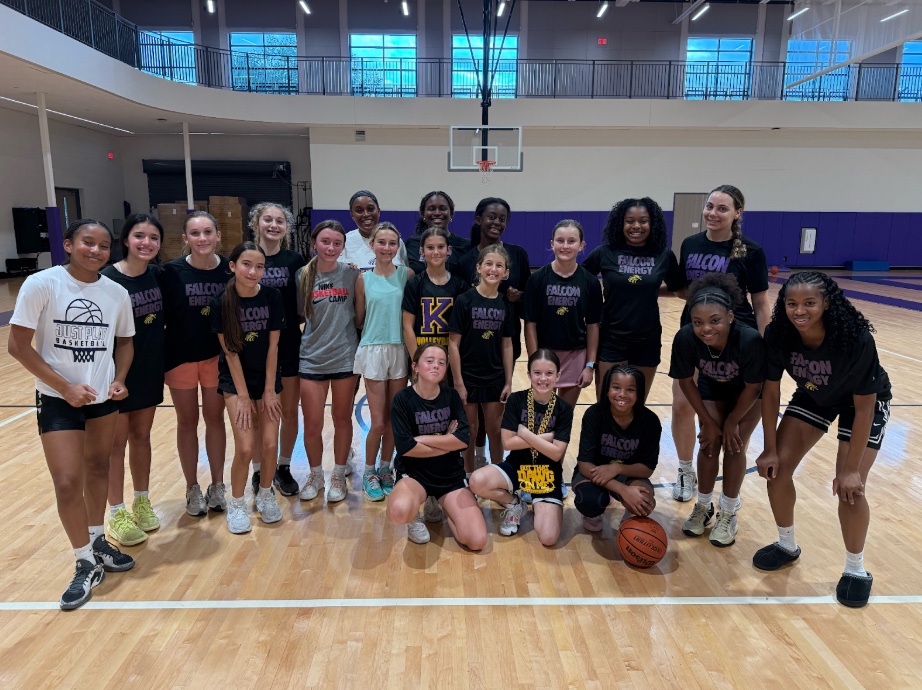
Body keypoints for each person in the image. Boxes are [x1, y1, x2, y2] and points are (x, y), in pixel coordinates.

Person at [9, 219, 136, 610]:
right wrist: (64, 387)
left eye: (102, 245)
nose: (95, 251)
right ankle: (83, 560)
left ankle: (98, 539)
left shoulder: (116, 293)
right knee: (67, 481)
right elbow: (18, 346)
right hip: (58, 397)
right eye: (87, 243)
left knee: (99, 468)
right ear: (68, 244)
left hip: (102, 398)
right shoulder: (42, 283)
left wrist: (120, 378)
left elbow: (126, 342)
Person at [753, 271, 891, 608]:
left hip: (862, 404)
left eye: (809, 303)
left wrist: (852, 469)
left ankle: (856, 570)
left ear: (826, 303)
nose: (800, 310)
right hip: (814, 395)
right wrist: (769, 448)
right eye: (792, 303)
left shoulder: (854, 337)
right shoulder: (779, 334)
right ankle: (787, 545)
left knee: (850, 489)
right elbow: (770, 393)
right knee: (777, 470)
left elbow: (864, 407)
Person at [672, 185, 770, 502]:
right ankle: (686, 471)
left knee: (735, 422)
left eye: (722, 208)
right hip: (694, 336)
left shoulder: (750, 252)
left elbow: (761, 303)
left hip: (734, 342)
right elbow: (684, 290)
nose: (713, 213)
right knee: (682, 406)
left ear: (737, 213)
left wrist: (764, 345)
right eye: (710, 206)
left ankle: (730, 489)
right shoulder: (690, 244)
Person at [668, 273, 766, 547]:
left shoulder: (748, 340)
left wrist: (732, 421)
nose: (706, 329)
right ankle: (703, 506)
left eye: (715, 321)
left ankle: (728, 512)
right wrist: (708, 422)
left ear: (731, 317)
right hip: (713, 388)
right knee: (709, 443)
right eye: (698, 322)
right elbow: (686, 382)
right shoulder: (686, 338)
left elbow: (754, 388)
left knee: (734, 446)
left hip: (748, 394)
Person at [101, 214, 165, 546]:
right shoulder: (107, 280)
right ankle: (117, 512)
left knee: (142, 437)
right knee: (116, 445)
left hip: (150, 369)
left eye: (153, 238)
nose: (146, 243)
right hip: (115, 376)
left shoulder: (157, 275)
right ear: (125, 240)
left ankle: (142, 500)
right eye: (139, 236)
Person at [211, 242, 285, 534]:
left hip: (266, 378)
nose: (253, 271)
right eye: (246, 265)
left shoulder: (272, 296)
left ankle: (266, 494)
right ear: (232, 266)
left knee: (269, 445)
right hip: (235, 381)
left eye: (259, 266)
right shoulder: (221, 302)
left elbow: (273, 345)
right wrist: (242, 396)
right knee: (244, 447)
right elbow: (230, 352)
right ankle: (237, 502)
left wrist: (269, 390)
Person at [161, 211, 230, 516]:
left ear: (218, 236)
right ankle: (192, 487)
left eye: (207, 232)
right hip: (180, 359)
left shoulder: (229, 272)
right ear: (185, 239)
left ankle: (217, 485)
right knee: (187, 423)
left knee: (215, 421)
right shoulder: (170, 273)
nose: (202, 239)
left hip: (216, 359)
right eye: (195, 233)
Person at [402, 226, 471, 534]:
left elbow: (461, 330)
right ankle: (422, 486)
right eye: (429, 247)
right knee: (422, 422)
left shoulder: (458, 284)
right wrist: (418, 362)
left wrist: (451, 369)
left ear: (448, 250)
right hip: (425, 364)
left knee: (448, 425)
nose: (435, 252)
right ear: (422, 251)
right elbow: (408, 325)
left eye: (440, 246)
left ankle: (440, 489)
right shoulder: (415, 283)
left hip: (449, 363)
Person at [386, 344, 486, 550]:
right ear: (415, 366)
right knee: (398, 511)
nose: (436, 366)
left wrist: (422, 438)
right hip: (414, 476)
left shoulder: (451, 396)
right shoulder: (402, 400)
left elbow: (463, 439)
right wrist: (447, 442)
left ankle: (442, 503)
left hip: (450, 477)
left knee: (477, 540)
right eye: (429, 361)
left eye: (441, 362)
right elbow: (407, 448)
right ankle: (415, 517)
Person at [581, 197, 683, 399]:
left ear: (652, 223)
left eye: (643, 220)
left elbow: (678, 289)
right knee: (607, 401)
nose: (636, 226)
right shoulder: (605, 253)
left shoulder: (663, 255)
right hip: (611, 338)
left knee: (637, 404)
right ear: (621, 223)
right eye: (629, 221)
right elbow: (579, 281)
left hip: (647, 339)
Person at [469, 349, 574, 546]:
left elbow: (557, 452)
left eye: (549, 373)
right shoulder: (517, 400)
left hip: (546, 474)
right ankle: (514, 504)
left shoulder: (564, 409)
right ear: (529, 375)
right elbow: (508, 442)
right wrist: (546, 437)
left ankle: (541, 502)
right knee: (476, 481)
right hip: (517, 467)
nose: (543, 379)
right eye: (537, 373)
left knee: (548, 538)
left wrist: (524, 434)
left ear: (558, 376)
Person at [458, 198, 529, 464]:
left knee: (493, 413)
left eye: (502, 218)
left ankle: (492, 465)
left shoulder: (517, 253)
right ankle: (476, 457)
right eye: (491, 217)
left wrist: (517, 296)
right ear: (478, 219)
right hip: (470, 348)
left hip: (503, 341)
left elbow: (528, 295)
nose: (496, 222)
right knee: (471, 418)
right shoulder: (466, 258)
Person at [296, 221, 361, 503]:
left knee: (342, 419)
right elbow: (301, 315)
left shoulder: (352, 275)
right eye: (325, 241)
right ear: (314, 243)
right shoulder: (303, 275)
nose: (331, 247)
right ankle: (315, 474)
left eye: (337, 243)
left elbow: (359, 317)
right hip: (312, 359)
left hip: (345, 357)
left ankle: (337, 474)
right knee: (311, 425)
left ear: (343, 246)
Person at [248, 202, 307, 497]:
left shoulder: (295, 261)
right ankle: (259, 469)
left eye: (280, 220)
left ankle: (283, 466)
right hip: (254, 349)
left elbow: (301, 306)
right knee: (260, 414)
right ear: (256, 223)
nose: (273, 225)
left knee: (288, 412)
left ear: (287, 227)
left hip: (288, 345)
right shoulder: (246, 257)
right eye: (267, 219)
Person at [354, 223, 414, 501]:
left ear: (397, 246)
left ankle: (386, 468)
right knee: (377, 422)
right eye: (382, 243)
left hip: (399, 349)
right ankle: (368, 471)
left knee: (393, 419)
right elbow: (358, 318)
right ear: (372, 245)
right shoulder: (362, 280)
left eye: (392, 243)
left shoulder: (407, 275)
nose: (387, 248)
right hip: (374, 349)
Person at [448, 245, 515, 473]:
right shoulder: (464, 300)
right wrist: (458, 382)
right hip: (467, 377)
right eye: (488, 264)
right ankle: (467, 474)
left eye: (499, 265)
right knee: (471, 429)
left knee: (495, 430)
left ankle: (498, 473)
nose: (493, 269)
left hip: (494, 377)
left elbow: (507, 345)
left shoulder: (505, 305)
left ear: (506, 272)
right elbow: (453, 344)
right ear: (478, 267)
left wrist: (508, 381)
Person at [573, 365, 661, 533]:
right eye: (616, 387)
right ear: (607, 389)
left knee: (645, 502)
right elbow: (585, 465)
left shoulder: (650, 421)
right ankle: (593, 513)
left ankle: (629, 513)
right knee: (589, 501)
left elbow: (647, 468)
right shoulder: (594, 414)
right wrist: (622, 490)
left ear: (639, 393)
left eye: (630, 389)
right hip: (595, 473)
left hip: (627, 474)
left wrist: (618, 468)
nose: (622, 394)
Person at [524, 219, 602, 407]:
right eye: (560, 241)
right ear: (552, 244)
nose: (565, 246)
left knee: (564, 416)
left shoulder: (590, 282)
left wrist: (590, 365)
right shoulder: (537, 279)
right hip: (545, 354)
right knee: (542, 415)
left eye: (571, 241)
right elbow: (530, 324)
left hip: (575, 356)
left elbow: (593, 325)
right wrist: (535, 362)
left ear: (581, 245)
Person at [404, 191, 470, 275]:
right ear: (423, 214)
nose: (437, 213)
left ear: (451, 213)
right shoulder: (412, 243)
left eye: (443, 208)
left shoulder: (465, 246)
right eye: (431, 209)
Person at [341, 190, 408, 270]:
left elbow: (405, 274)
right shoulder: (344, 242)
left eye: (370, 209)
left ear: (378, 211)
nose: (366, 214)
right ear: (352, 215)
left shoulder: (395, 241)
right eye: (359, 210)